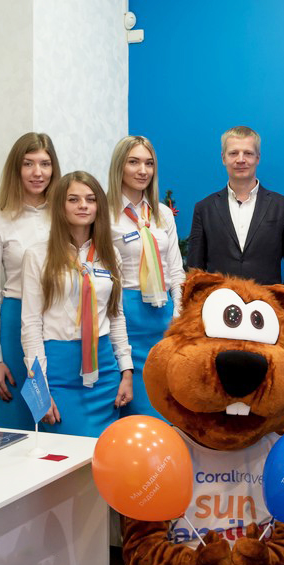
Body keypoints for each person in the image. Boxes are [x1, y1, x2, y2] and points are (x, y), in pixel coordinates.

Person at [21, 171, 133, 437]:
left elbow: (116, 316)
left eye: (90, 199)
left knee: (104, 451)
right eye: (73, 199)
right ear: (60, 206)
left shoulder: (110, 255)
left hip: (104, 372)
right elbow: (31, 324)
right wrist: (40, 387)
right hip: (59, 372)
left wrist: (126, 373)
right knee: (67, 452)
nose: (83, 205)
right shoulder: (37, 255)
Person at [0, 133, 60, 430]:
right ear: (16, 168)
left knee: (54, 419)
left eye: (45, 164)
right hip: (14, 323)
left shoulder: (66, 217)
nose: (37, 172)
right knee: (16, 422)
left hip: (58, 322)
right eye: (28, 164)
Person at [106, 135, 185, 420]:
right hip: (125, 317)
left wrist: (178, 317)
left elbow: (176, 270)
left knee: (163, 407)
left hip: (163, 318)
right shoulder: (105, 214)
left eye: (149, 163)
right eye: (134, 162)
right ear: (119, 166)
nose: (143, 170)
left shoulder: (162, 213)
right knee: (133, 408)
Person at [188, 125, 284, 284]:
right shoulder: (204, 208)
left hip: (267, 299)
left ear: (258, 158)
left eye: (248, 153)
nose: (241, 160)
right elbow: (195, 270)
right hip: (218, 299)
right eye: (233, 153)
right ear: (223, 158)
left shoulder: (283, 207)